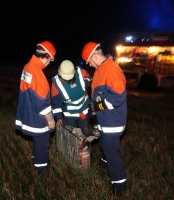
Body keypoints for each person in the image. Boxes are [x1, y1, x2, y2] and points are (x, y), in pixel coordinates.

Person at [81, 42, 127, 195]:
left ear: (94, 56)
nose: (90, 65)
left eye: (89, 62)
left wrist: (97, 107)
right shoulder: (102, 69)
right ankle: (104, 163)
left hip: (112, 121)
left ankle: (119, 186)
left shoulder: (111, 69)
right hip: (104, 119)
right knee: (104, 144)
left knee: (111, 150)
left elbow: (117, 97)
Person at [15, 41, 56, 174]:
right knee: (42, 142)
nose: (49, 63)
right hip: (37, 116)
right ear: (47, 56)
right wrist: (50, 120)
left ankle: (37, 159)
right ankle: (41, 170)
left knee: (38, 142)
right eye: (50, 60)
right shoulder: (37, 72)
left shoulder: (27, 67)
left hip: (28, 111)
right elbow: (42, 102)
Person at [51, 60, 91, 137]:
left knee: (85, 131)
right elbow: (56, 101)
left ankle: (85, 148)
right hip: (69, 114)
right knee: (72, 134)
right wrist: (58, 117)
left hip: (84, 110)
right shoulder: (56, 82)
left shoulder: (80, 71)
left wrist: (86, 82)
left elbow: (87, 77)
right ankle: (73, 148)